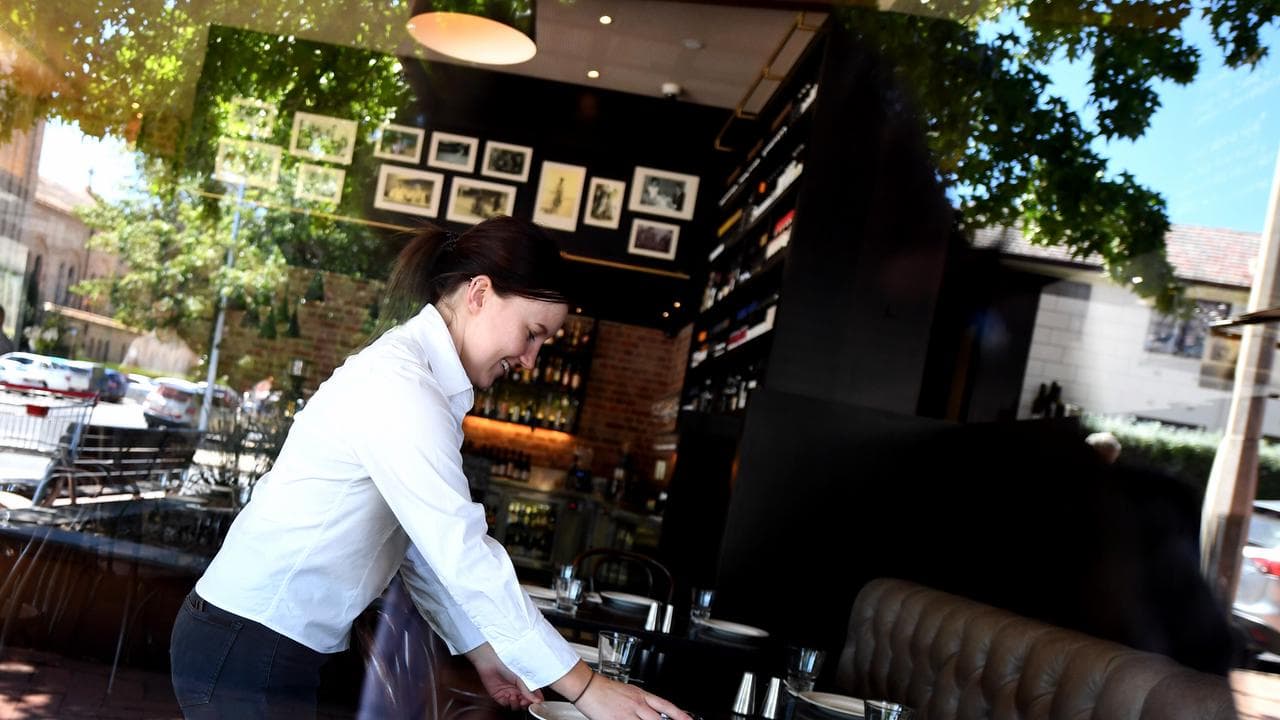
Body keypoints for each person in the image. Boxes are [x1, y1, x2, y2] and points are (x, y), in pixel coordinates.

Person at [170, 216, 691, 720]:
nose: (531, 359)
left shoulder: (424, 384)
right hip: (248, 642)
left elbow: (419, 551)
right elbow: (461, 552)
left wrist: (485, 652)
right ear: (480, 294)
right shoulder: (401, 386)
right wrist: (586, 688)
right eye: (532, 333)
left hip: (261, 639)